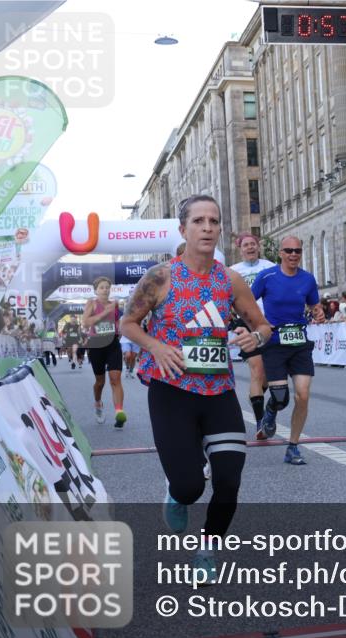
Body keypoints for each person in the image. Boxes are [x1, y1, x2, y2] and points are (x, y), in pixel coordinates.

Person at [122, 194, 271, 579]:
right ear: (183, 229)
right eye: (199, 221)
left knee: (228, 480)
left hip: (218, 392)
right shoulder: (160, 277)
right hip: (171, 391)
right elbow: (128, 323)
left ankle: (208, 549)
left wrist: (255, 337)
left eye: (214, 221)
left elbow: (262, 325)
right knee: (189, 487)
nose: (207, 228)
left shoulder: (229, 279)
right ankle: (176, 493)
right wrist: (156, 346)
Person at [250, 235, 326, 464]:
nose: (293, 255)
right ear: (280, 253)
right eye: (289, 250)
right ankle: (270, 412)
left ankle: (293, 446)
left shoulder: (308, 279)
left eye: (297, 251)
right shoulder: (267, 276)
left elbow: (314, 305)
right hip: (274, 344)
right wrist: (260, 323)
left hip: (299, 344)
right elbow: (247, 303)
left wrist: (318, 312)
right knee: (280, 398)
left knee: (303, 395)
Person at [229, 233, 276, 434]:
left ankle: (257, 398)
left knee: (266, 377)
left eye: (252, 244)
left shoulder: (270, 267)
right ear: (240, 250)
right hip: (246, 323)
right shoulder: (233, 271)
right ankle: (260, 423)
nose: (249, 248)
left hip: (269, 322)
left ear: (258, 247)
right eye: (246, 245)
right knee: (256, 370)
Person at [82, 277, 126, 428]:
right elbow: (85, 322)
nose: (105, 290)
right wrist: (104, 312)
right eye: (101, 287)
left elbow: (117, 320)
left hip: (112, 343)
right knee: (100, 382)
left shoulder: (115, 304)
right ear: (96, 290)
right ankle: (98, 403)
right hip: (96, 344)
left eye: (107, 287)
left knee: (115, 378)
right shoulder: (92, 303)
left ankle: (119, 412)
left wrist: (119, 328)